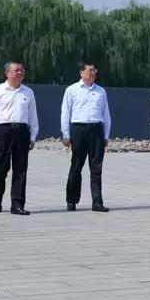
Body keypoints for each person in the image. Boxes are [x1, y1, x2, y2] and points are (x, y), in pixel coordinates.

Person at [0, 60, 38, 215]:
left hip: (22, 132)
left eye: (22, 70)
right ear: (7, 73)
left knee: (20, 169)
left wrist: (33, 136)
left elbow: (33, 116)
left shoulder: (28, 92)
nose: (20, 73)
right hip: (3, 131)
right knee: (1, 168)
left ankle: (17, 204)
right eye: (16, 70)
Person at [61, 60, 112, 212]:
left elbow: (106, 114)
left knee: (96, 168)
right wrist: (66, 134)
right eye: (90, 70)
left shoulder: (101, 91)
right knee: (76, 166)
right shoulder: (72, 90)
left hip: (96, 130)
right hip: (79, 130)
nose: (93, 73)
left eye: (94, 71)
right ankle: (72, 200)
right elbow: (65, 113)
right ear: (81, 72)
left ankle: (97, 202)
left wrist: (106, 135)